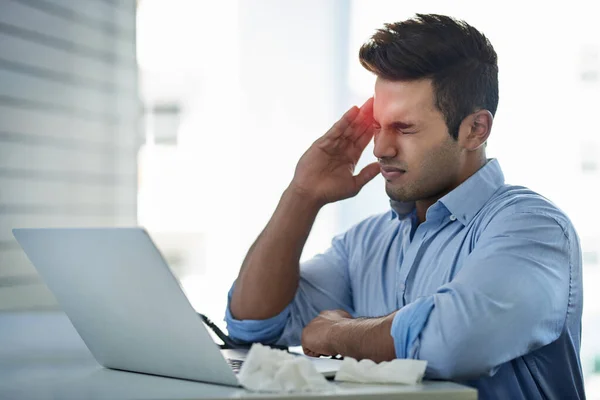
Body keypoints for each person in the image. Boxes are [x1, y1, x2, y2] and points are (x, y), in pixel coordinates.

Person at [224, 13, 584, 399]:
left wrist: (336, 333)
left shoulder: (533, 228)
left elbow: (452, 342)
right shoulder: (367, 242)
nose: (380, 149)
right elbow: (253, 326)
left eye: (404, 128)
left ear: (475, 129)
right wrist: (302, 194)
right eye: (378, 126)